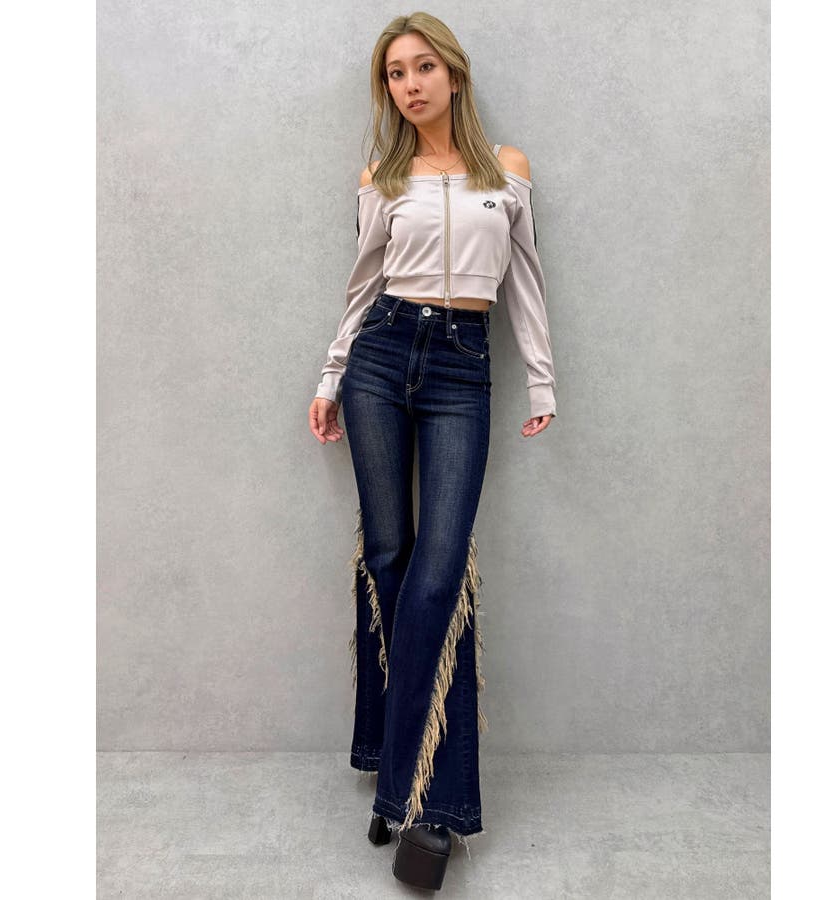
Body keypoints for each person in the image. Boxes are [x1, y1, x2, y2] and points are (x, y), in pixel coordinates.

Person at [307, 12, 557, 891]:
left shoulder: (507, 171)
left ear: (454, 74)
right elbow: (362, 285)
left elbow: (525, 282)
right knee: (389, 554)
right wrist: (331, 375)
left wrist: (542, 380)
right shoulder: (382, 177)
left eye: (422, 67)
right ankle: (398, 772)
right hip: (381, 358)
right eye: (394, 74)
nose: (409, 84)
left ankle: (416, 792)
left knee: (439, 570)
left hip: (461, 368)